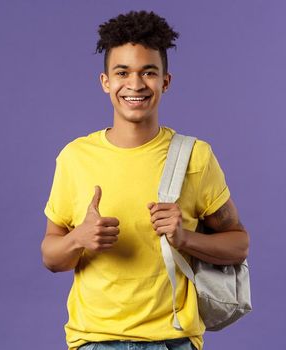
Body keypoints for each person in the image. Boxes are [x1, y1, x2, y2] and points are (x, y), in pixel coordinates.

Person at [40, 10, 249, 350]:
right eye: (122, 72)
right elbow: (50, 255)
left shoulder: (194, 156)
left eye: (148, 73)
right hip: (95, 340)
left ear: (165, 81)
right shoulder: (75, 158)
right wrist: (78, 239)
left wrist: (185, 238)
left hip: (174, 340)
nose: (135, 84)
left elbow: (239, 244)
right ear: (106, 81)